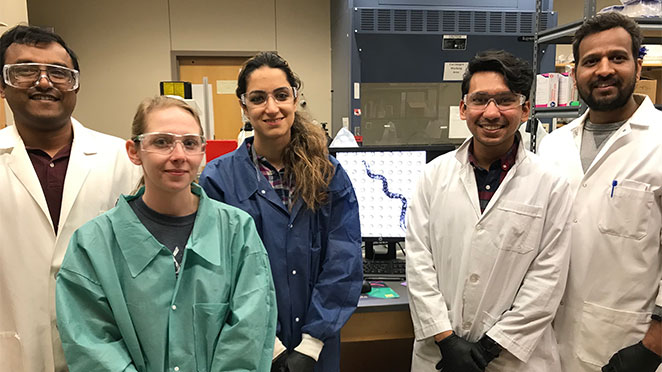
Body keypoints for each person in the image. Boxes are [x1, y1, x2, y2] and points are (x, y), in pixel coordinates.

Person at [56, 96, 277, 371]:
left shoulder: (237, 233)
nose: (178, 155)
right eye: (161, 142)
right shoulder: (93, 244)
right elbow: (91, 344)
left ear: (202, 152)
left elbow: (249, 335)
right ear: (134, 151)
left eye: (190, 143)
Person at [405, 50, 573, 372]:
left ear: (525, 109)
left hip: (512, 359)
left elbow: (547, 281)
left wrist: (488, 348)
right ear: (463, 108)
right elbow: (418, 263)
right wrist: (447, 340)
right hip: (441, 355)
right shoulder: (433, 176)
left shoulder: (551, 185)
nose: (491, 112)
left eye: (505, 100)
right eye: (480, 100)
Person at [199, 52, 362, 372]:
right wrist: (269, 346)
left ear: (295, 98)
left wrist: (311, 344)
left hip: (317, 352)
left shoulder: (329, 174)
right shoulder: (217, 180)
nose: (271, 108)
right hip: (248, 349)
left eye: (281, 95)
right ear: (244, 106)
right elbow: (217, 274)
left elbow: (344, 260)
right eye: (258, 98)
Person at [0, 25, 141, 372]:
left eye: (59, 73)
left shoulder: (123, 160)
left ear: (75, 84)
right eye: (26, 71)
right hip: (14, 350)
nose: (45, 82)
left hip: (105, 350)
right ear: (2, 85)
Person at [538, 12, 662, 372]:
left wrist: (653, 346)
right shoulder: (553, 145)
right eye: (591, 61)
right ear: (574, 73)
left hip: (628, 346)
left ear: (638, 67)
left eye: (617, 58)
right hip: (548, 342)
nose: (604, 70)